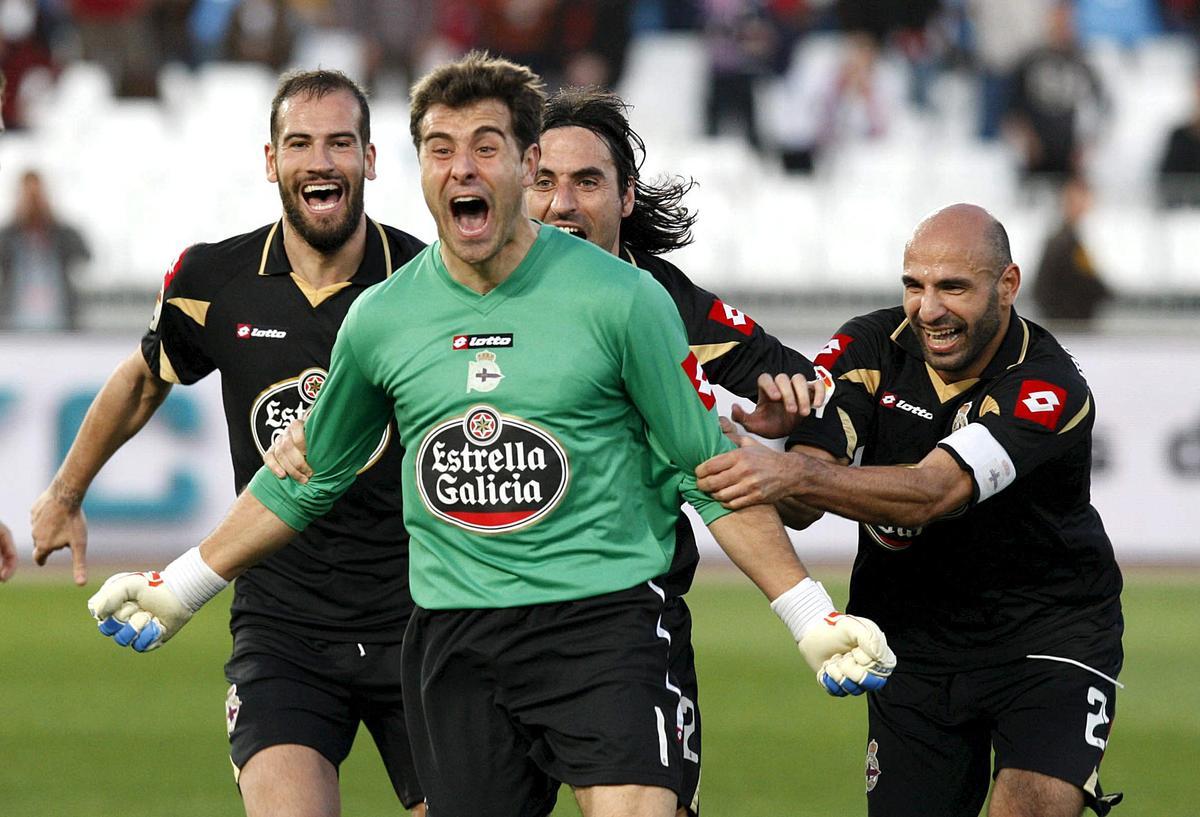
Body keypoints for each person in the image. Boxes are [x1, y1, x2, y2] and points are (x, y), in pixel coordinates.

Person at [85, 52, 896, 817]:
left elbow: (710, 472)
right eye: (441, 149)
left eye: (485, 146)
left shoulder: (625, 300)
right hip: (454, 639)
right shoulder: (382, 318)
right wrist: (179, 587)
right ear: (418, 169)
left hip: (604, 629)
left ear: (524, 162)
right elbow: (308, 476)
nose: (463, 168)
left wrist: (808, 614)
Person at [270, 83, 825, 817]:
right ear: (523, 177)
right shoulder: (423, 297)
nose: (562, 203)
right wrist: (305, 437)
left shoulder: (655, 300)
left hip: (622, 612)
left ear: (626, 197)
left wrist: (785, 458)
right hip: (468, 620)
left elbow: (792, 416)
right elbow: (367, 405)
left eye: (587, 182)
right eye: (547, 182)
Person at [29, 69, 429, 817]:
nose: (319, 161)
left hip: (422, 618)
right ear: (271, 161)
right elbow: (144, 379)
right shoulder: (213, 278)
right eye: (299, 144)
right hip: (284, 627)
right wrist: (65, 492)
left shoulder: (427, 284)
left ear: (371, 159)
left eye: (340, 143)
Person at [695, 203, 1124, 817]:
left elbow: (933, 493)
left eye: (953, 287)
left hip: (1048, 636)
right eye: (914, 285)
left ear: (1007, 285)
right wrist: (744, 451)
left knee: (1032, 803)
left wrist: (790, 471)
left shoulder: (1048, 384)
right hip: (911, 640)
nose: (928, 309)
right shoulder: (868, 345)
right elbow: (802, 501)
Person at [0, 169, 91, 331]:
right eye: (28, 197)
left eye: (37, 195)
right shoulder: (7, 237)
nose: (33, 202)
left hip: (61, 324)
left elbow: (85, 257)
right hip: (14, 326)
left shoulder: (64, 235)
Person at [1032, 175, 1111, 326]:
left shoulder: (1074, 239)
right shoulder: (1063, 243)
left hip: (1070, 323)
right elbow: (1043, 289)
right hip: (1068, 325)